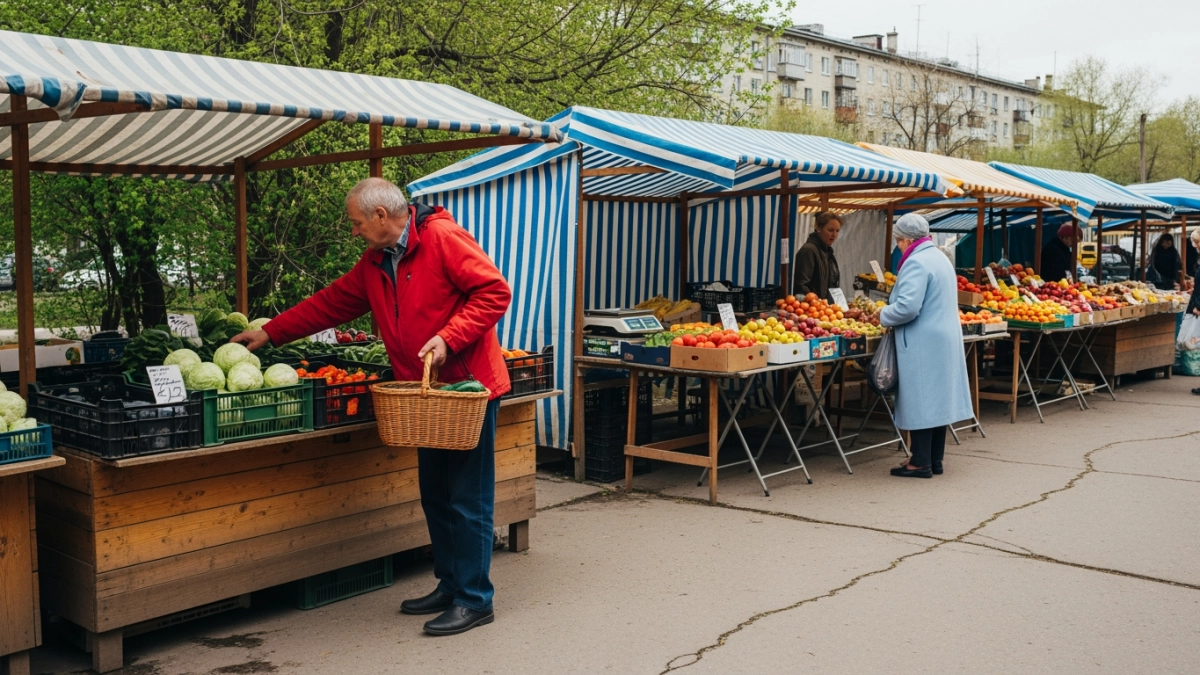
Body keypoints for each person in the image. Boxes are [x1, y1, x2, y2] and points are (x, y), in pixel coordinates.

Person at [231, 178, 512, 636]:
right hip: (421, 395)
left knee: (467, 499)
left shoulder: (442, 238)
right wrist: (271, 332)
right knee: (435, 496)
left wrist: (448, 337)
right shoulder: (377, 261)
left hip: (465, 390)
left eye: (357, 223)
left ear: (382, 216)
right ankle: (449, 584)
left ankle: (475, 599)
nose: (355, 231)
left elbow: (494, 292)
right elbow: (332, 303)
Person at [878, 213, 973, 478]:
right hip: (942, 337)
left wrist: (881, 314)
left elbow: (908, 307)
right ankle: (935, 459)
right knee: (937, 399)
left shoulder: (917, 262)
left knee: (921, 398)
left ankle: (920, 462)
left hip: (924, 339)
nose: (897, 246)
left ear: (907, 239)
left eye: (898, 241)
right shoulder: (940, 257)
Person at [792, 212, 842, 302]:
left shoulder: (827, 252)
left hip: (826, 308)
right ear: (818, 228)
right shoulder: (809, 250)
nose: (834, 235)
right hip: (812, 309)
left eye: (837, 231)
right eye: (830, 230)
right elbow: (801, 285)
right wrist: (815, 303)